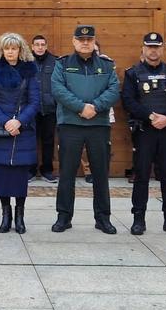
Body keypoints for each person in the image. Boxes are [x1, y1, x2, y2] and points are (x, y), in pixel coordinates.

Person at [50, 25, 121, 234]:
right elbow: (58, 89)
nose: (85, 42)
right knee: (67, 174)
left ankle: (103, 218)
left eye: (89, 39)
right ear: (73, 41)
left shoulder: (107, 65)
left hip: (98, 126)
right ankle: (64, 217)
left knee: (100, 173)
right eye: (81, 39)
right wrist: (81, 107)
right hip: (71, 125)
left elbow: (114, 89)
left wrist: (96, 107)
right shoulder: (62, 64)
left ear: (94, 41)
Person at [121, 32, 166, 237]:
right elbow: (128, 101)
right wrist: (150, 116)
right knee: (141, 176)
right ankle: (138, 219)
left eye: (157, 47)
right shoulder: (133, 73)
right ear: (143, 49)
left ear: (162, 49)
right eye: (149, 47)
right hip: (144, 131)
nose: (153, 50)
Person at [0, 33, 40, 234]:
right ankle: (5, 214)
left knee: (19, 177)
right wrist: (6, 121)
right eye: (7, 48)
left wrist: (19, 121)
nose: (10, 52)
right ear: (2, 50)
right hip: (2, 129)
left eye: (13, 48)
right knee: (3, 177)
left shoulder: (29, 71)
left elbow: (34, 101)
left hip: (23, 130)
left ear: (20, 50)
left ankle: (20, 215)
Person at [30, 35, 58, 182]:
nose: (40, 47)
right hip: (32, 109)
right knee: (31, 140)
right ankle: (31, 171)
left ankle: (47, 170)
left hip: (49, 109)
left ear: (46, 46)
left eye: (42, 44)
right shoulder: (26, 62)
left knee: (48, 141)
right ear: (32, 47)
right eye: (37, 45)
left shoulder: (55, 62)